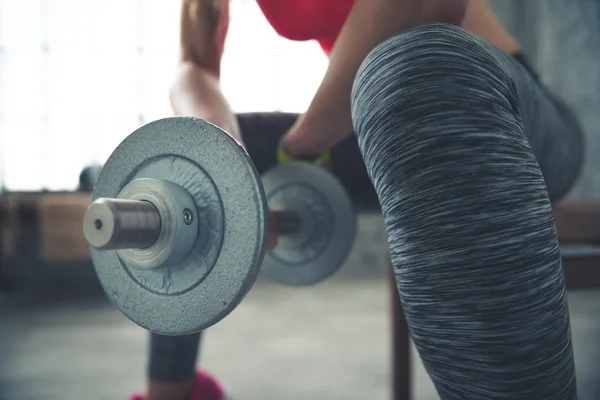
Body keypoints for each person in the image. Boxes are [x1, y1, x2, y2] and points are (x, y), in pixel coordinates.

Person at [130, 0, 584, 399]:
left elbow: (425, 6)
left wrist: (300, 151)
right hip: (380, 113)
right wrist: (225, 159)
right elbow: (192, 68)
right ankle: (171, 393)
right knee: (193, 158)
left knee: (418, 66)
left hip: (507, 110)